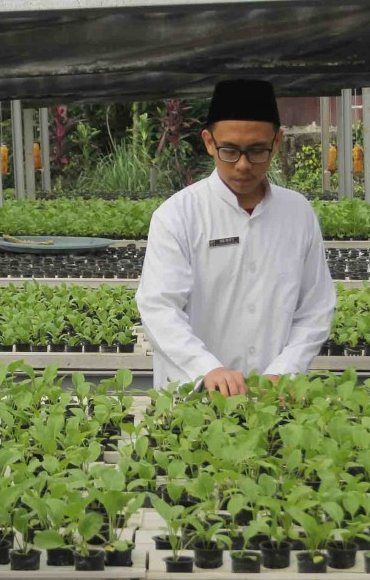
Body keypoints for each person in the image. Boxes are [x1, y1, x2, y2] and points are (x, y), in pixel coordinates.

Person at [136, 79, 335, 395]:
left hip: (274, 398)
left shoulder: (297, 213)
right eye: (229, 150)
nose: (243, 165)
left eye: (257, 150)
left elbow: (315, 308)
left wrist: (284, 371)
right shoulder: (178, 215)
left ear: (278, 141)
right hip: (195, 398)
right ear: (209, 142)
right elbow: (159, 308)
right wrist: (207, 368)